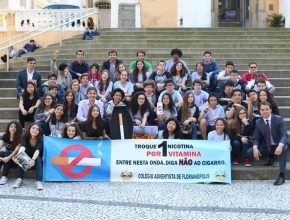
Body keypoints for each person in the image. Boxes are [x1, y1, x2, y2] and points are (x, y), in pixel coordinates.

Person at [248, 101, 289, 186]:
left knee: (284, 148)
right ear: (260, 111)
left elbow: (284, 135)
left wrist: (280, 145)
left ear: (270, 110)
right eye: (262, 110)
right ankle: (271, 156)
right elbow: (256, 137)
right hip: (268, 146)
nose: (265, 111)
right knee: (250, 152)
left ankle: (281, 175)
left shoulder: (278, 119)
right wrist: (255, 147)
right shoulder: (258, 122)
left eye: (267, 109)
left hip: (279, 144)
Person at [12, 123, 44, 190]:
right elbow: (23, 147)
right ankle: (19, 179)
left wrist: (33, 160)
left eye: (37, 129)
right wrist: (17, 156)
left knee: (37, 158)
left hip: (36, 162)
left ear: (39, 132)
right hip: (26, 162)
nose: (35, 130)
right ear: (29, 129)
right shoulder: (24, 137)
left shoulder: (41, 139)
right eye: (33, 128)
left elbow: (37, 150)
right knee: (21, 156)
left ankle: (39, 181)